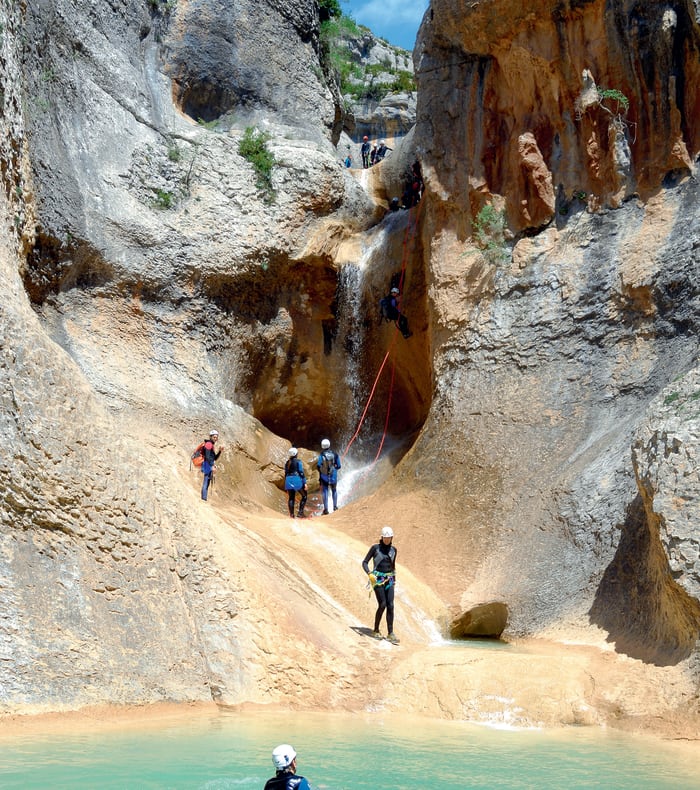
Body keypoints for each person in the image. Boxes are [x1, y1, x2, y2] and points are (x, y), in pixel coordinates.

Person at [362, 526, 399, 643]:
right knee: (382, 604)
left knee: (391, 605)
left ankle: (390, 633)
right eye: (385, 537)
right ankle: (376, 630)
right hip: (378, 579)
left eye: (389, 538)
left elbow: (393, 565)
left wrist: (394, 579)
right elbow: (364, 562)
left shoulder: (394, 550)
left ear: (392, 537)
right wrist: (369, 574)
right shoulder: (375, 548)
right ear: (382, 537)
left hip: (390, 579)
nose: (387, 539)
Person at [317, 438, 341, 515]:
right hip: (333, 475)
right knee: (334, 490)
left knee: (325, 491)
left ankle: (326, 509)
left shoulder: (321, 455)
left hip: (324, 476)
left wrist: (321, 472)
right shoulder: (335, 454)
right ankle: (335, 507)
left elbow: (318, 465)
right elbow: (339, 466)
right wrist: (334, 469)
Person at [284, 447, 307, 518]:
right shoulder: (298, 461)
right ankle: (300, 513)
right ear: (296, 454)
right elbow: (301, 472)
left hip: (288, 480)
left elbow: (285, 473)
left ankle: (291, 515)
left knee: (291, 498)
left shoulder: (287, 462)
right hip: (296, 480)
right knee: (304, 496)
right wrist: (305, 482)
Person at [200, 429, 223, 501]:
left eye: (216, 437)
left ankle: (204, 498)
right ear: (210, 437)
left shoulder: (211, 445)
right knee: (206, 482)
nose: (215, 438)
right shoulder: (209, 444)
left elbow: (214, 458)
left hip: (209, 464)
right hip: (207, 465)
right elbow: (207, 456)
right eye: (214, 437)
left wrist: (220, 451)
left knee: (207, 482)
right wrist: (211, 466)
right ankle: (203, 499)